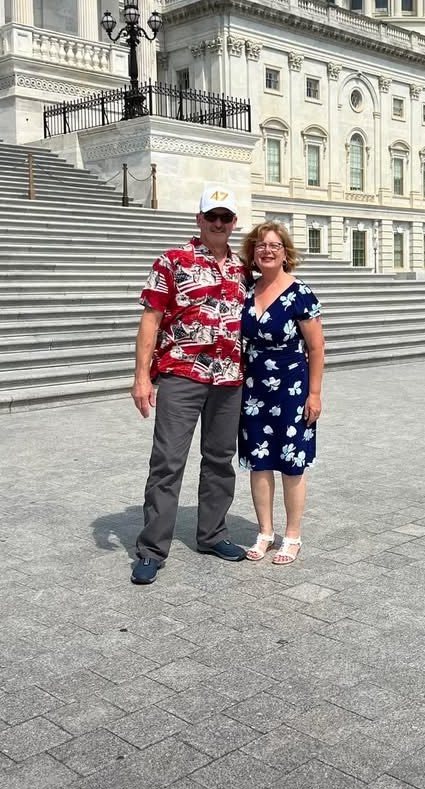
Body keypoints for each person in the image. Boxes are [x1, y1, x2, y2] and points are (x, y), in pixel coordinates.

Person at [130, 186, 248, 585]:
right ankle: (151, 549)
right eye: (211, 216)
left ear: (234, 223)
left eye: (225, 217)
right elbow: (150, 320)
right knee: (167, 461)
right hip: (182, 374)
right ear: (199, 219)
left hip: (229, 377)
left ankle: (212, 535)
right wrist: (141, 376)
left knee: (219, 459)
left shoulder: (242, 268)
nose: (218, 223)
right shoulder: (172, 260)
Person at [238, 222, 324, 565]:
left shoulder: (300, 293)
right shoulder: (247, 289)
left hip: (291, 388)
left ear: (285, 253)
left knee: (292, 463)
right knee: (259, 462)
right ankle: (264, 533)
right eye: (260, 245)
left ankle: (292, 535)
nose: (267, 250)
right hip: (254, 388)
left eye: (274, 245)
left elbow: (316, 348)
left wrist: (314, 394)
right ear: (253, 252)